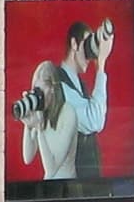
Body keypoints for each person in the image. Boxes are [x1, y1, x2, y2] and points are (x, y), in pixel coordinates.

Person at [13, 15, 115, 183]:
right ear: (74, 44)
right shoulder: (59, 87)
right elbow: (95, 121)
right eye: (88, 45)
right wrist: (101, 63)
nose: (91, 54)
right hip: (68, 186)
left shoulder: (77, 84)